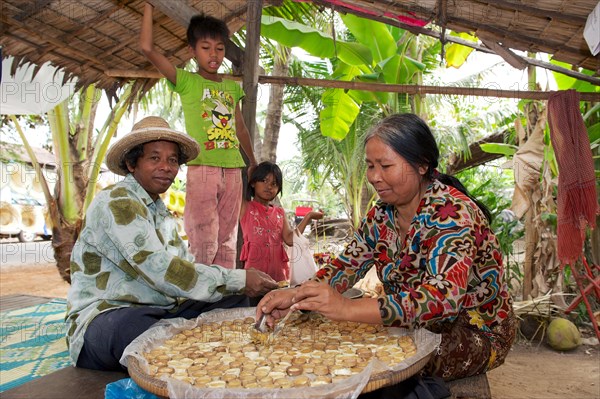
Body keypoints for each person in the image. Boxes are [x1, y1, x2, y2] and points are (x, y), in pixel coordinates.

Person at [257, 113, 516, 383]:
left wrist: (345, 307)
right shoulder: (380, 215)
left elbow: (442, 298)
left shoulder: (453, 213)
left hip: (473, 331)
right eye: (370, 166)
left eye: (385, 165)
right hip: (410, 325)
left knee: (380, 359)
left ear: (422, 165)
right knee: (332, 344)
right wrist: (296, 295)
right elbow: (346, 266)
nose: (375, 177)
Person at [66, 116, 278, 371]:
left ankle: (179, 343)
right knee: (134, 329)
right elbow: (161, 269)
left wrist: (238, 285)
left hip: (160, 312)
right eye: (154, 158)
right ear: (132, 164)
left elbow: (184, 267)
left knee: (235, 300)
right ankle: (183, 343)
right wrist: (238, 278)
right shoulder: (117, 201)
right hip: (108, 317)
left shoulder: (160, 212)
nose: (166, 167)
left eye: (173, 160)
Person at [140, 3, 258, 268]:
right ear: (192, 51)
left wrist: (252, 161)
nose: (213, 55)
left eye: (219, 48)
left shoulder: (231, 86)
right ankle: (198, 297)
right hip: (202, 167)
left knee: (228, 239)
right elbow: (147, 48)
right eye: (205, 48)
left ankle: (223, 296)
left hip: (233, 169)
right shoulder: (186, 81)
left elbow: (240, 127)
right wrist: (149, 5)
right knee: (204, 237)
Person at [240, 161, 323, 283]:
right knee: (254, 303)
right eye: (264, 180)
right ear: (253, 183)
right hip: (253, 280)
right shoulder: (245, 207)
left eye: (274, 183)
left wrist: (308, 216)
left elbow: (290, 239)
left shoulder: (279, 213)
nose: (269, 186)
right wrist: (251, 172)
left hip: (278, 278)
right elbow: (234, 189)